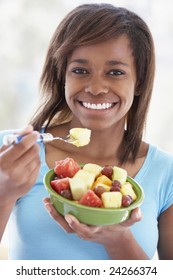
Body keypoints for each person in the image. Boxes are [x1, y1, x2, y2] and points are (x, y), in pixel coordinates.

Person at [0, 3, 173, 260]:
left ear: (139, 82)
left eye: (115, 72)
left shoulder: (165, 172)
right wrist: (3, 193)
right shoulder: (11, 152)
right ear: (62, 77)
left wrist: (119, 242)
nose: (96, 87)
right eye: (80, 70)